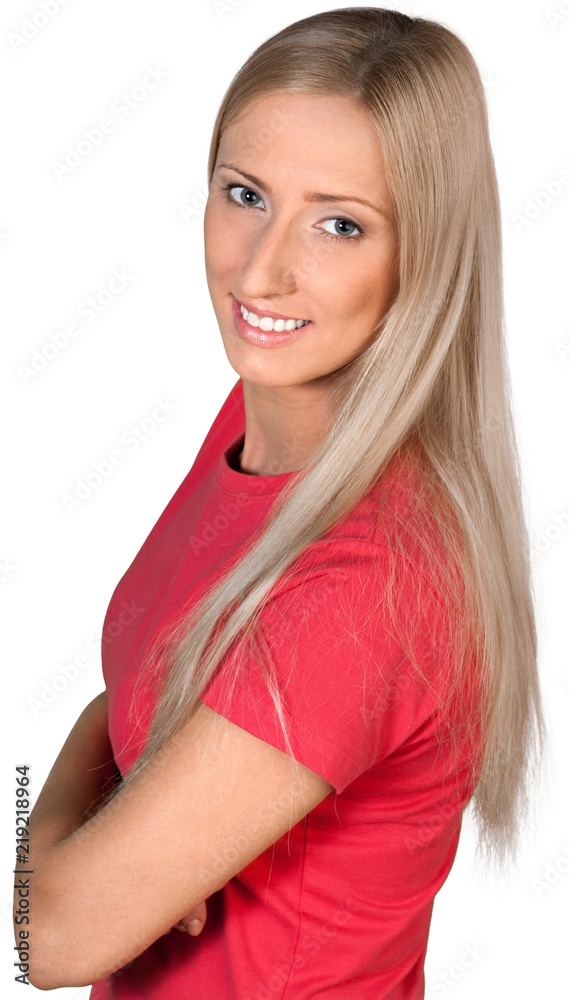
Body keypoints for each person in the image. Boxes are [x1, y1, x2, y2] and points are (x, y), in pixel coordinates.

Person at [20, 8, 546, 998]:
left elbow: (46, 937)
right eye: (245, 194)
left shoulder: (363, 584)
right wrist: (134, 797)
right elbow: (124, 701)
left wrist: (47, 823)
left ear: (424, 255)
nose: (260, 271)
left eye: (339, 224)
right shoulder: (260, 421)